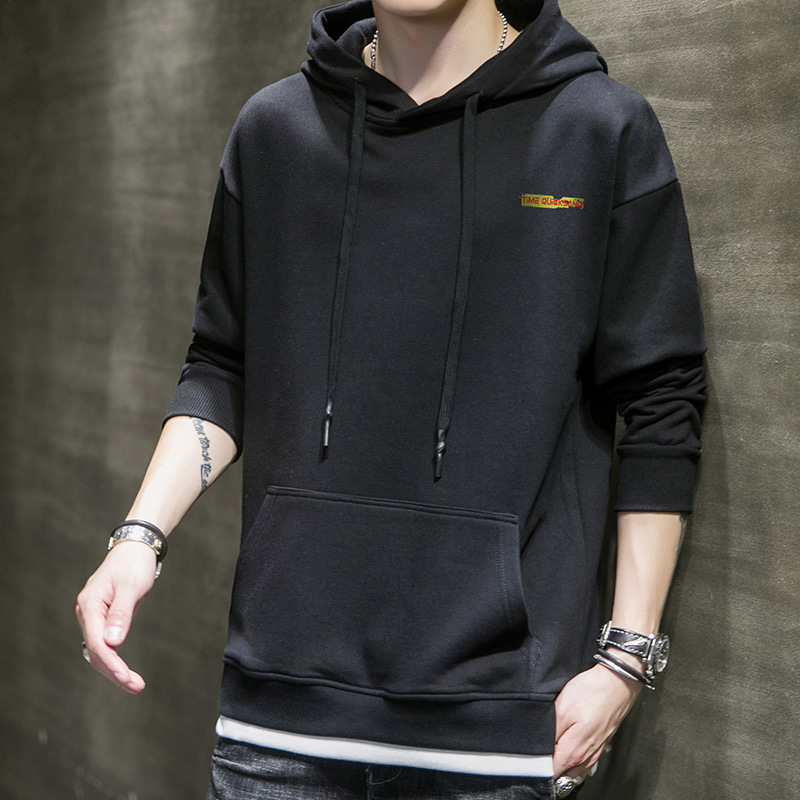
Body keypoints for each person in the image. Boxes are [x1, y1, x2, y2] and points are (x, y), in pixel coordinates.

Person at [75, 0, 707, 797]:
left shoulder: (598, 129)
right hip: (279, 727)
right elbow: (225, 362)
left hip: (495, 736)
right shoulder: (275, 132)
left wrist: (626, 657)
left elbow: (659, 394)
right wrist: (139, 537)